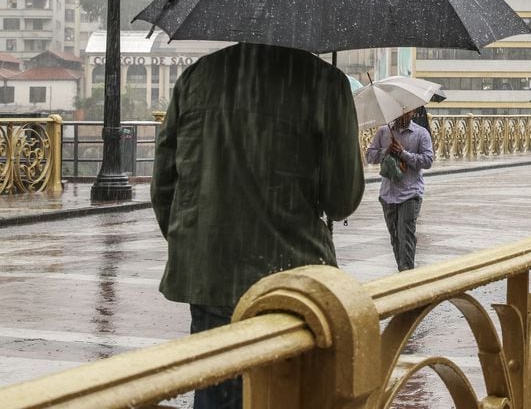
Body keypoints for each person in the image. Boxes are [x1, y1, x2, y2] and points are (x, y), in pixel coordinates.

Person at [152, 43, 363, 409]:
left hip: (210, 272)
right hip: (291, 278)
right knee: (288, 393)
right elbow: (341, 199)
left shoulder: (199, 75)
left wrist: (197, 240)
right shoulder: (325, 82)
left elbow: (164, 183)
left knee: (217, 390)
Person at [365, 109, 434, 271]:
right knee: (395, 238)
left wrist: (403, 154)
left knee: (406, 236)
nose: (403, 116)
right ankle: (402, 270)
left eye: (407, 112)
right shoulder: (383, 132)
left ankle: (407, 275)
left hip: (410, 193)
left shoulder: (420, 133)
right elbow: (369, 156)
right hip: (388, 194)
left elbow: (428, 160)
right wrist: (386, 151)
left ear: (413, 112)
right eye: (399, 112)